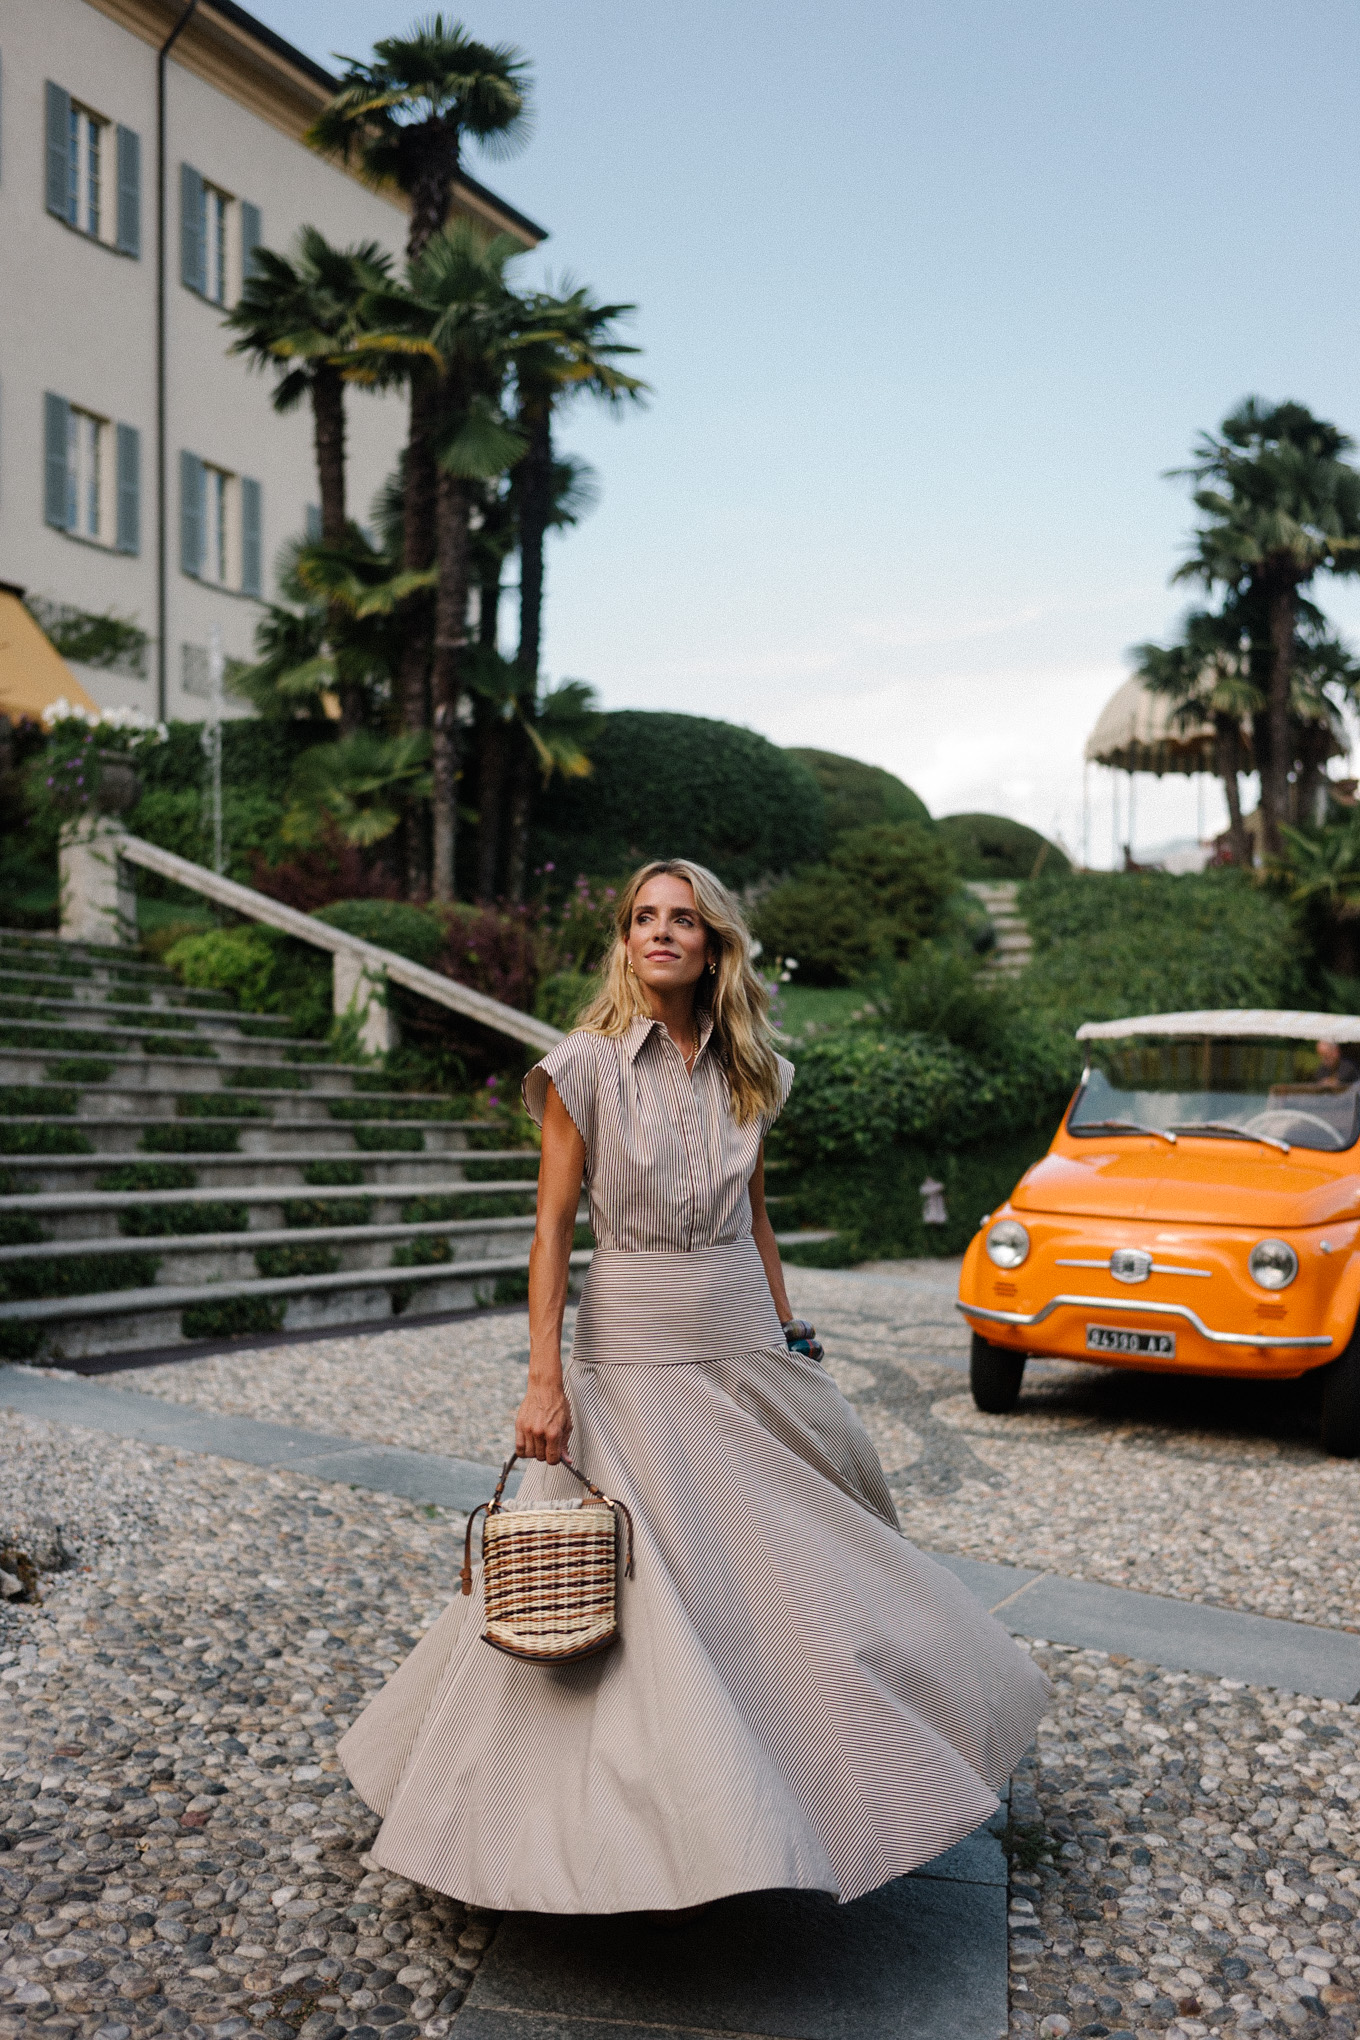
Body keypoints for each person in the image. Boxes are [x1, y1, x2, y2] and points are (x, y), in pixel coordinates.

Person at [338, 858, 1049, 1914]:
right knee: (627, 1589)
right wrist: (544, 1380)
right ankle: (600, 1835)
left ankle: (825, 1785)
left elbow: (755, 1217)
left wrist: (786, 1321)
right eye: (641, 919)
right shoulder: (580, 1067)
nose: (659, 934)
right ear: (624, 941)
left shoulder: (749, 1070)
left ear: (714, 943)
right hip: (629, 1346)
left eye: (682, 920)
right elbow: (548, 1233)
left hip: (741, 1333)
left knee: (797, 1559)